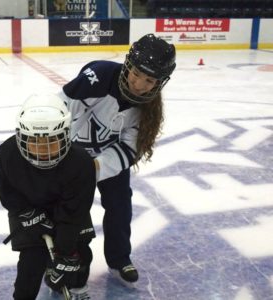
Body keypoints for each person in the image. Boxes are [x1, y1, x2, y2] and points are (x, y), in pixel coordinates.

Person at [59, 33, 176, 287]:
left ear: (160, 82)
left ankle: (119, 258)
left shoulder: (149, 109)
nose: (138, 84)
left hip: (108, 162)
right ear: (128, 64)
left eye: (149, 80)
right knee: (71, 211)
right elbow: (61, 110)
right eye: (136, 73)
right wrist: (61, 160)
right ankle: (68, 260)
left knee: (120, 206)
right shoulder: (98, 77)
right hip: (73, 158)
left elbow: (128, 149)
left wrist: (95, 168)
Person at [0, 94, 96, 299]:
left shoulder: (81, 162)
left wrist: (65, 250)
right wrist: (28, 214)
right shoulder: (8, 152)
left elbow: (76, 209)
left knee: (79, 259)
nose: (44, 150)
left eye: (52, 141)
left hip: (68, 211)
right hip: (27, 209)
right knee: (30, 265)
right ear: (22, 136)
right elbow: (9, 195)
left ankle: (70, 283)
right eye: (34, 141)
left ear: (66, 134)